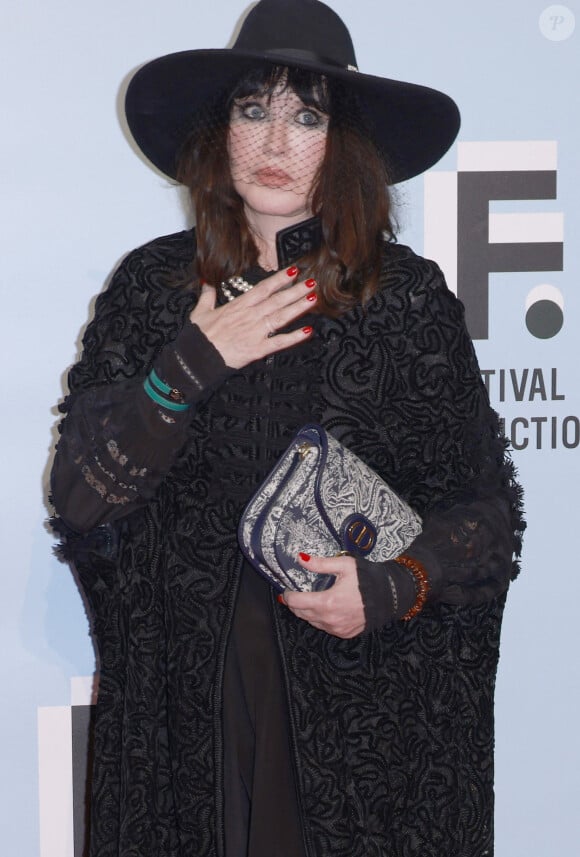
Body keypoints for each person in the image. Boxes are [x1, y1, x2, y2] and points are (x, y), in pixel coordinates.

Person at [50, 1, 524, 855]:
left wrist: (392, 586)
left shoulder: (405, 300)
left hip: (362, 713)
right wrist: (190, 363)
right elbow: (82, 499)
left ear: (340, 146)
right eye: (253, 108)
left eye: (307, 115)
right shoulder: (154, 288)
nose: (275, 142)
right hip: (185, 712)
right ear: (219, 129)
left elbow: (487, 519)